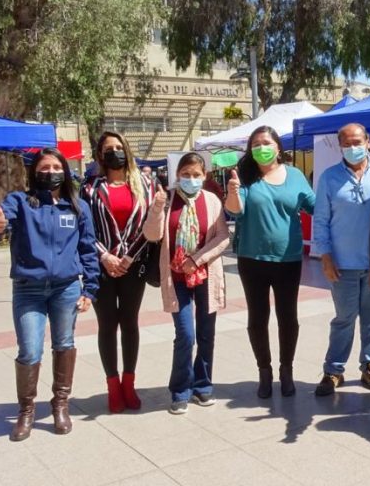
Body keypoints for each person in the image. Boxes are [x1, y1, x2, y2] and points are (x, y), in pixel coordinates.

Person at [0, 148, 100, 441]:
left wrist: (90, 289)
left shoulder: (78, 206)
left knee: (64, 344)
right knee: (30, 350)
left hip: (66, 288)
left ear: (65, 171)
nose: (50, 172)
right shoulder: (20, 202)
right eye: (43, 168)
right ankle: (26, 411)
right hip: (28, 289)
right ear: (34, 172)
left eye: (55, 167)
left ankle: (61, 404)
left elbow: (88, 249)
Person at [226, 126, 315, 398]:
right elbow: (235, 210)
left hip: (288, 259)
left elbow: (314, 206)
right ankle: (264, 372)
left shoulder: (296, 176)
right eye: (255, 144)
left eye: (266, 142)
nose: (261, 148)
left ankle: (286, 370)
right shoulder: (244, 177)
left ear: (278, 147)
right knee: (258, 317)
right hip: (252, 259)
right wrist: (232, 191)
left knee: (288, 318)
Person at [145, 153, 230, 414]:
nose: (191, 179)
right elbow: (152, 234)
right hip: (176, 277)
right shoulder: (167, 199)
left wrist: (197, 259)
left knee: (206, 334)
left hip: (205, 274)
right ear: (177, 175)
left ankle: (202, 386)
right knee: (186, 334)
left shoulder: (212, 201)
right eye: (185, 174)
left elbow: (223, 237)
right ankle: (180, 389)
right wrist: (157, 208)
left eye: (196, 175)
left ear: (204, 176)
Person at [314, 123, 370, 396]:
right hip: (342, 264)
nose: (353, 148)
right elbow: (321, 220)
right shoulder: (329, 177)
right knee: (344, 319)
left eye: (357, 141)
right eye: (346, 143)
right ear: (340, 147)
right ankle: (333, 370)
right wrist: (325, 256)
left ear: (369, 142)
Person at [81, 132, 158, 413]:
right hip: (102, 266)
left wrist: (127, 257)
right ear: (100, 155)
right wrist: (105, 256)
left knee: (130, 323)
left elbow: (150, 226)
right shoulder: (90, 188)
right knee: (107, 325)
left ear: (127, 150)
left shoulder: (146, 184)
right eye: (108, 149)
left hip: (133, 265)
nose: (114, 152)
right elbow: (85, 229)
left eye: (118, 147)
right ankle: (112, 385)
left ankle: (129, 382)